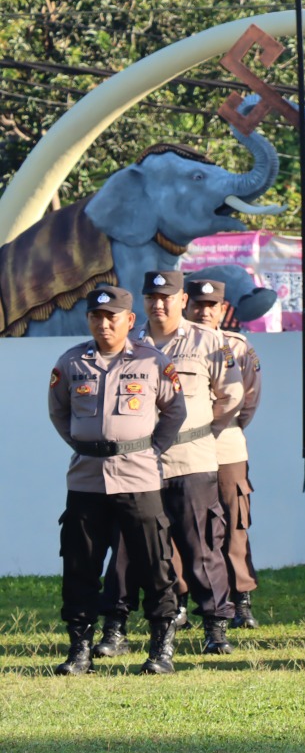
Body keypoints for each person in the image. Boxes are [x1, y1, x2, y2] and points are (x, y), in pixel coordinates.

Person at [102, 270, 244, 657]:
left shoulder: (208, 341)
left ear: (183, 300)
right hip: (137, 465)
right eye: (151, 297)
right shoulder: (128, 343)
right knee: (126, 549)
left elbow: (231, 396)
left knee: (201, 546)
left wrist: (201, 431)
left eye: (167, 297)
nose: (159, 304)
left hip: (190, 459)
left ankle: (216, 627)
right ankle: (115, 628)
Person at [48, 286, 187, 675]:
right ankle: (80, 650)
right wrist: (87, 445)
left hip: (138, 478)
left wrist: (150, 451)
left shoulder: (152, 361)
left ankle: (160, 650)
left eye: (112, 317)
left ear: (129, 320)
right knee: (80, 566)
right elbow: (59, 412)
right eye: (96, 316)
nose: (104, 324)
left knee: (154, 564)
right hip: (87, 480)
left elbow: (174, 411)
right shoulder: (71, 362)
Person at [182, 277, 264, 629]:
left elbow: (248, 399)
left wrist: (217, 428)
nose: (204, 312)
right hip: (182, 447)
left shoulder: (237, 346)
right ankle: (179, 601)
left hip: (225, 445)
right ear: (185, 305)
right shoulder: (171, 345)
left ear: (222, 309)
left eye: (211, 306)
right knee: (182, 524)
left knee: (234, 521)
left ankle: (240, 599)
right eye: (197, 305)